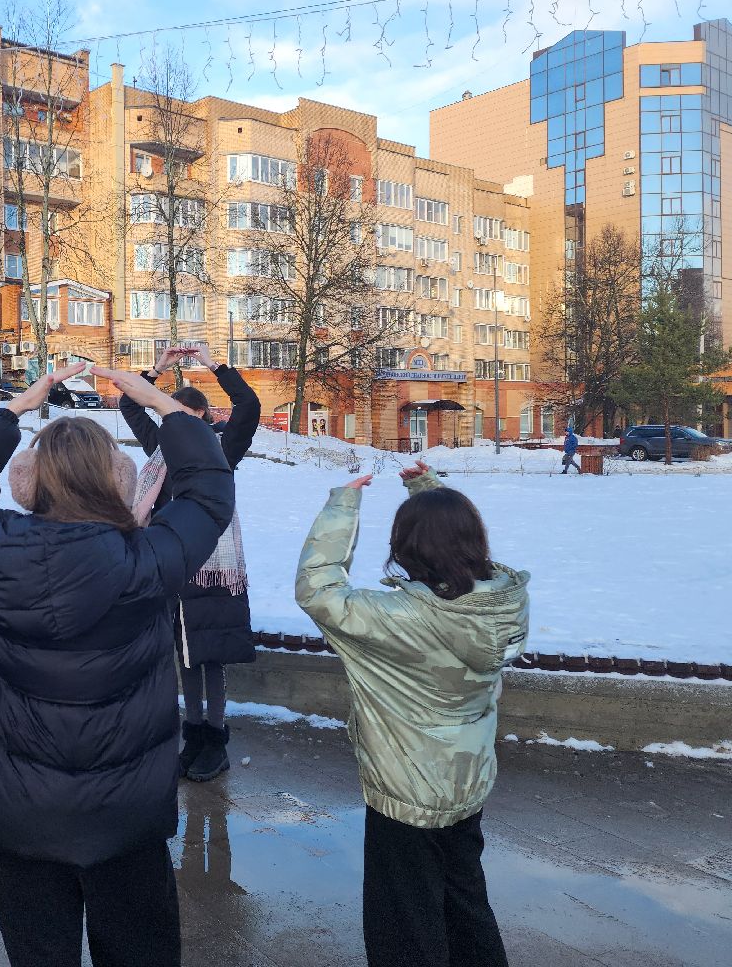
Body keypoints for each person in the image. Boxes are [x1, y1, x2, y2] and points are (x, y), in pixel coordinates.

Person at [0, 363, 233, 967]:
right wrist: (158, 401)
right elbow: (207, 489)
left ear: (25, 483)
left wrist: (16, 408)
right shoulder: (150, 561)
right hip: (125, 821)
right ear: (120, 481)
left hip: (18, 821)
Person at [295, 459, 529, 967]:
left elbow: (319, 591)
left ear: (405, 549)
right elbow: (454, 540)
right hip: (467, 782)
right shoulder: (502, 604)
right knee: (465, 900)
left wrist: (343, 503)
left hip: (405, 793)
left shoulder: (396, 619)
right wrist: (429, 491)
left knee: (404, 920)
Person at [120, 344, 261, 782]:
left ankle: (215, 741)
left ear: (199, 419)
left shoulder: (221, 451)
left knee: (210, 654)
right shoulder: (162, 451)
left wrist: (213, 364)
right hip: (172, 564)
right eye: (169, 416)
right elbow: (130, 402)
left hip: (212, 566)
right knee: (183, 655)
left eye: (182, 417)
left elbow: (249, 404)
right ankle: (193, 736)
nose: (174, 425)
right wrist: (158, 369)